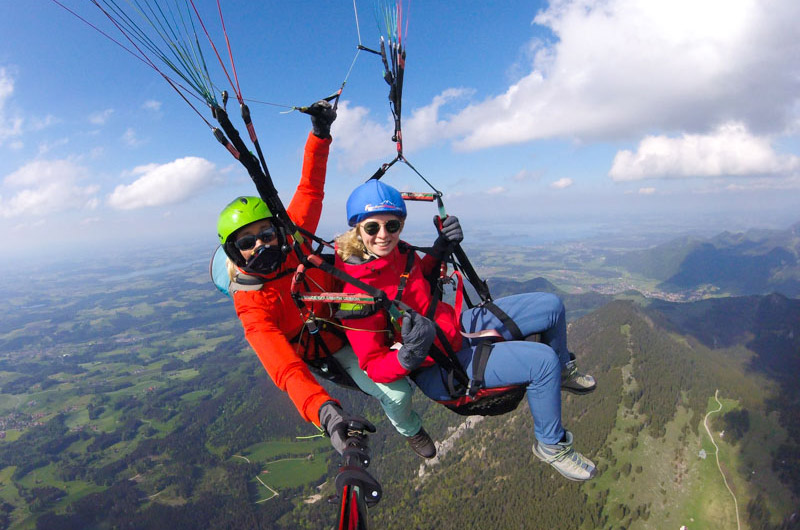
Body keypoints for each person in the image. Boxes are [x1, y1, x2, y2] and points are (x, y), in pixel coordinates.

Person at [333, 180, 597, 481]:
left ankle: (563, 371)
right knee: (541, 361)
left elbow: (421, 280)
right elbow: (373, 366)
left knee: (551, 306)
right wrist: (408, 356)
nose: (383, 235)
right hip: (439, 366)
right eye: (372, 228)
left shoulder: (401, 253)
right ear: (357, 229)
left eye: (392, 225)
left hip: (456, 326)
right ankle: (551, 445)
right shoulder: (356, 295)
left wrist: (441, 247)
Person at [216, 104, 435, 459]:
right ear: (233, 253)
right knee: (397, 395)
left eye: (266, 234)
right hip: (332, 349)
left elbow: (310, 189)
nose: (261, 246)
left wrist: (320, 133)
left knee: (428, 330)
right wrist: (326, 413)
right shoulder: (252, 304)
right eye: (246, 243)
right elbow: (284, 368)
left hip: (354, 316)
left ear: (278, 231)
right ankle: (410, 430)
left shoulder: (294, 242)